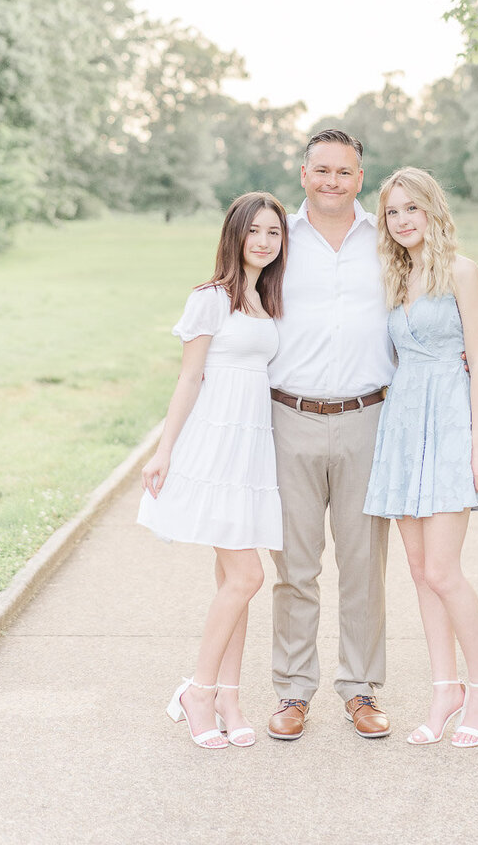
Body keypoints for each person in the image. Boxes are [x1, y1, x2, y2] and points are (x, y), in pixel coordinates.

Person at [364, 167, 478, 748]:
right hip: (404, 428)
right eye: (392, 213)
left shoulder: (462, 273)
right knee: (421, 573)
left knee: (445, 571)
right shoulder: (396, 277)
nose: (401, 221)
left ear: (432, 209)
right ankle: (443, 687)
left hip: (449, 425)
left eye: (410, 209)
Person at [137, 191, 288, 750]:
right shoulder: (211, 299)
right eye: (255, 231)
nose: (264, 241)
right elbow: (189, 378)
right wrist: (163, 449)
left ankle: (229, 695)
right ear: (235, 234)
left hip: (251, 451)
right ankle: (198, 690)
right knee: (248, 576)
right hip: (214, 445)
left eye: (274, 232)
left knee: (234, 581)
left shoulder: (267, 298)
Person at [266, 129, 394, 741]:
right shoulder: (278, 239)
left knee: (364, 562)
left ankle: (361, 688)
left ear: (360, 179)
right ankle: (293, 691)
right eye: (322, 170)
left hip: (367, 417)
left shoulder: (388, 240)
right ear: (303, 173)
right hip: (287, 415)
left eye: (344, 172)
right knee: (294, 565)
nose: (333, 181)